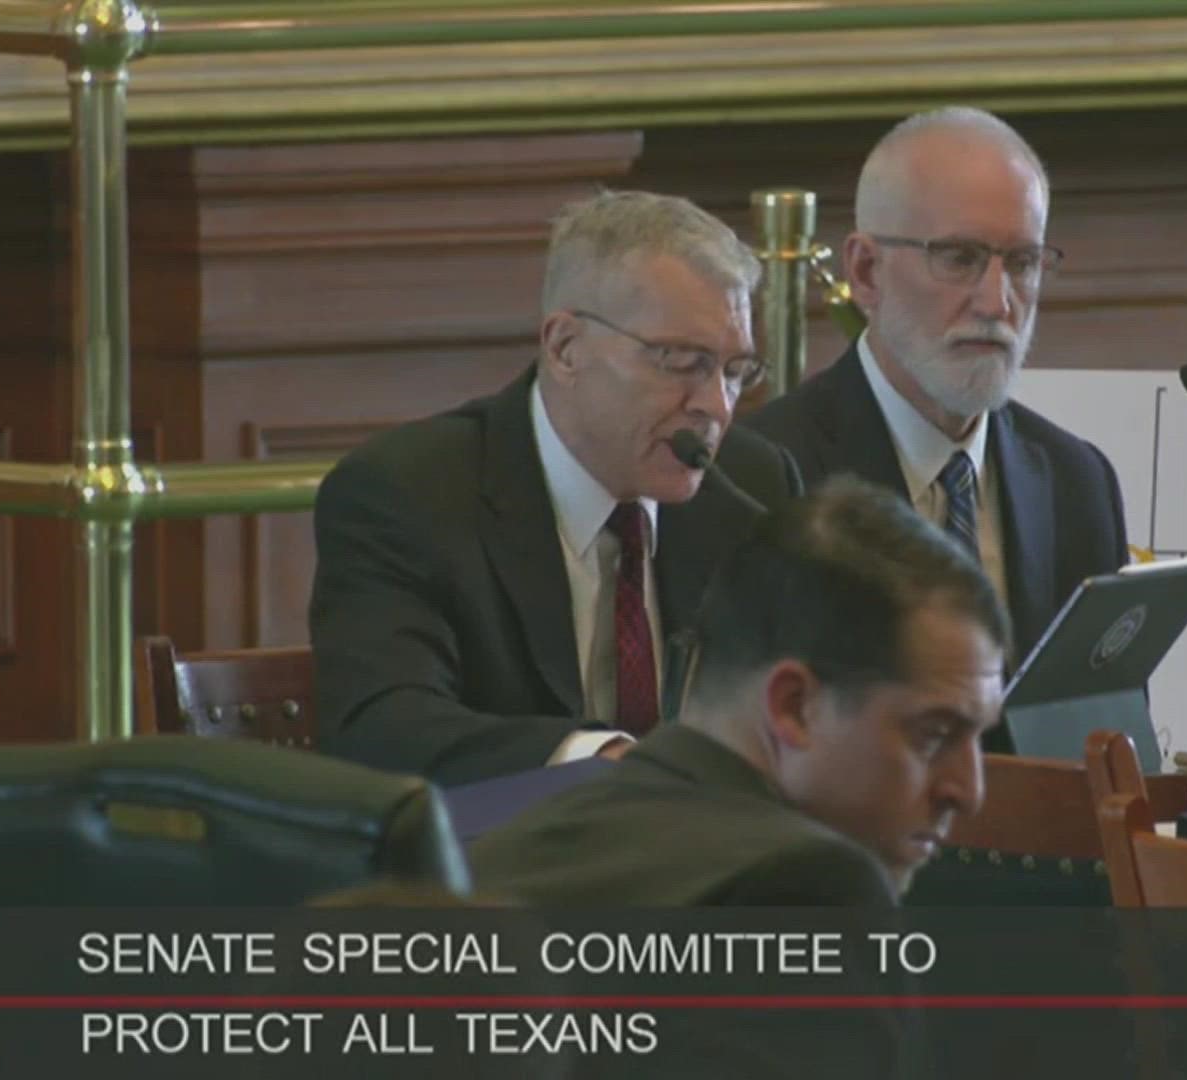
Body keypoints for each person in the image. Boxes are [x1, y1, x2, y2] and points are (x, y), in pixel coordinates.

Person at [311, 191, 801, 786]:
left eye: (733, 371)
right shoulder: (407, 492)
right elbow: (383, 727)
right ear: (566, 348)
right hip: (499, 864)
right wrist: (612, 765)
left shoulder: (752, 487)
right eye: (681, 362)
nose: (716, 407)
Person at [747, 107, 1129, 746]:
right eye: (959, 258)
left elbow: (1101, 747)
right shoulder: (767, 472)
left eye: (1024, 262)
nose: (996, 301)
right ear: (866, 272)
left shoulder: (1075, 479)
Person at [468, 478, 1009, 907]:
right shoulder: (805, 884)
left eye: (978, 739)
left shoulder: (489, 862)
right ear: (794, 705)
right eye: (934, 736)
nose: (969, 791)